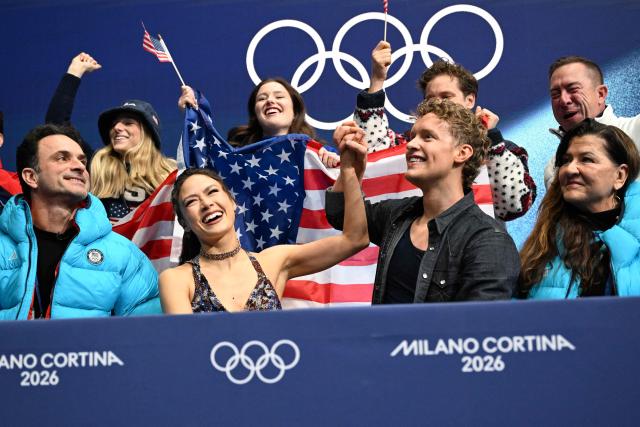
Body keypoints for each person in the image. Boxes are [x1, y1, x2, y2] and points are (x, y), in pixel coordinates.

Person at [326, 98, 520, 304]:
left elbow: (476, 330)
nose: (410, 144)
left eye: (427, 137)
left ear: (462, 153)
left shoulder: (489, 240)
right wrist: (350, 170)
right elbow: (342, 214)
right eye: (412, 136)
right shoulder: (397, 214)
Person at [158, 129, 369, 313]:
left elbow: (354, 239)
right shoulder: (176, 280)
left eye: (212, 192)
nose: (206, 203)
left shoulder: (272, 261)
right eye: (192, 201)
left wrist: (349, 170)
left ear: (232, 202)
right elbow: (186, 348)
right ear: (184, 223)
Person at [353, 41, 536, 221]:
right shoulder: (410, 146)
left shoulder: (500, 150)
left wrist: (491, 139)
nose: (438, 104)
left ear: (470, 100)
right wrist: (377, 80)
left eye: (446, 97)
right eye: (430, 98)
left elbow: (513, 206)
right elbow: (372, 155)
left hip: (474, 247)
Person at [0, 123, 160, 319]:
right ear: (31, 177)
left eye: (82, 161)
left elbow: (147, 336)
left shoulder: (125, 255)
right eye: (62, 158)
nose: (79, 166)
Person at [46, 53, 177, 221]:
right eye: (114, 124)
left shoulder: (170, 174)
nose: (116, 128)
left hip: (151, 248)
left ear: (148, 132)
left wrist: (193, 115)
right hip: (104, 247)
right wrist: (74, 72)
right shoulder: (97, 164)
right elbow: (56, 124)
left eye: (128, 123)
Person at [518, 119, 640, 298]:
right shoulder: (540, 246)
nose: (570, 169)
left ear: (619, 176)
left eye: (586, 159)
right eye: (566, 160)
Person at [178, 78, 340, 167]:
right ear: (255, 113)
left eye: (279, 96)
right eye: (262, 98)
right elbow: (202, 168)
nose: (270, 101)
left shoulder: (319, 152)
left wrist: (334, 166)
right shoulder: (236, 156)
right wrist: (193, 115)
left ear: (295, 111)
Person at [545, 56, 640, 188]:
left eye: (573, 89)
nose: (563, 100)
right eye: (555, 94)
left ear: (600, 94)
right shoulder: (553, 169)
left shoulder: (636, 129)